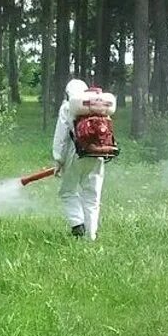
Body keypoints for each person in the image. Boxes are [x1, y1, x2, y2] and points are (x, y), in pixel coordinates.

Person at [52, 78, 105, 239]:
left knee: (67, 191)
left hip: (76, 154)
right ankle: (91, 236)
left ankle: (77, 225)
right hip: (98, 154)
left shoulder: (68, 108)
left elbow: (60, 137)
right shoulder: (98, 108)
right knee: (92, 197)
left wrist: (58, 160)